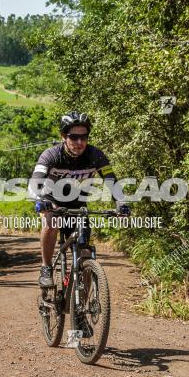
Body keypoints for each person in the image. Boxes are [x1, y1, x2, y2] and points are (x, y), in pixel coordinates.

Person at [29, 111, 130, 288]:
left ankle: (82, 310)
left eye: (84, 137)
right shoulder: (51, 155)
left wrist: (120, 202)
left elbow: (111, 181)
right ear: (63, 137)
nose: (79, 142)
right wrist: (39, 199)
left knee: (86, 255)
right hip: (52, 201)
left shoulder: (95, 155)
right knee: (51, 222)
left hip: (78, 205)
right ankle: (46, 267)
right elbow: (35, 182)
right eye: (73, 137)